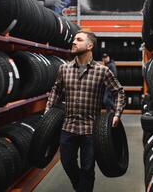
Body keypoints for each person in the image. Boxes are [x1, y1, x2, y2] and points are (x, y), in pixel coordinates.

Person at [45, 30, 126, 192]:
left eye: (79, 39)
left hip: (91, 129)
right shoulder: (64, 69)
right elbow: (56, 90)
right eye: (74, 39)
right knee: (67, 163)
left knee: (88, 168)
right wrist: (48, 113)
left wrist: (117, 113)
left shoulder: (102, 71)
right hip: (68, 127)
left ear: (90, 46)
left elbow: (119, 91)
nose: (73, 42)